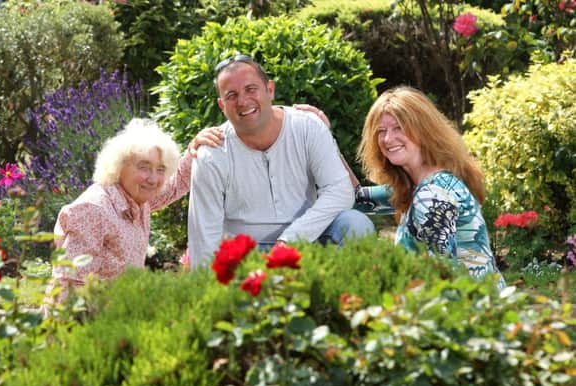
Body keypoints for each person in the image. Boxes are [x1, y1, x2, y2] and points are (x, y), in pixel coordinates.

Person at [188, 55, 374, 268]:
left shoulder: (307, 127)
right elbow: (204, 234)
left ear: (270, 90)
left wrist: (291, 240)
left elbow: (340, 191)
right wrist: (206, 290)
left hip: (309, 238)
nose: (242, 101)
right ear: (222, 105)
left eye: (251, 89)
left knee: (356, 225)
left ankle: (351, 299)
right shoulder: (212, 153)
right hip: (246, 256)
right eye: (232, 95)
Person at [355, 86, 505, 287]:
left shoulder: (432, 197)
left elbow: (445, 283)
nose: (388, 139)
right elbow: (357, 198)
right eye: (381, 131)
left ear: (423, 130)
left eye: (398, 127)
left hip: (472, 312)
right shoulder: (423, 183)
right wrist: (323, 135)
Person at [51, 118, 220, 288]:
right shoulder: (93, 210)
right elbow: (69, 285)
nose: (153, 179)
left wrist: (195, 150)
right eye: (144, 167)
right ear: (119, 166)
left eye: (160, 169)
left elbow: (174, 186)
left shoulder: (136, 199)